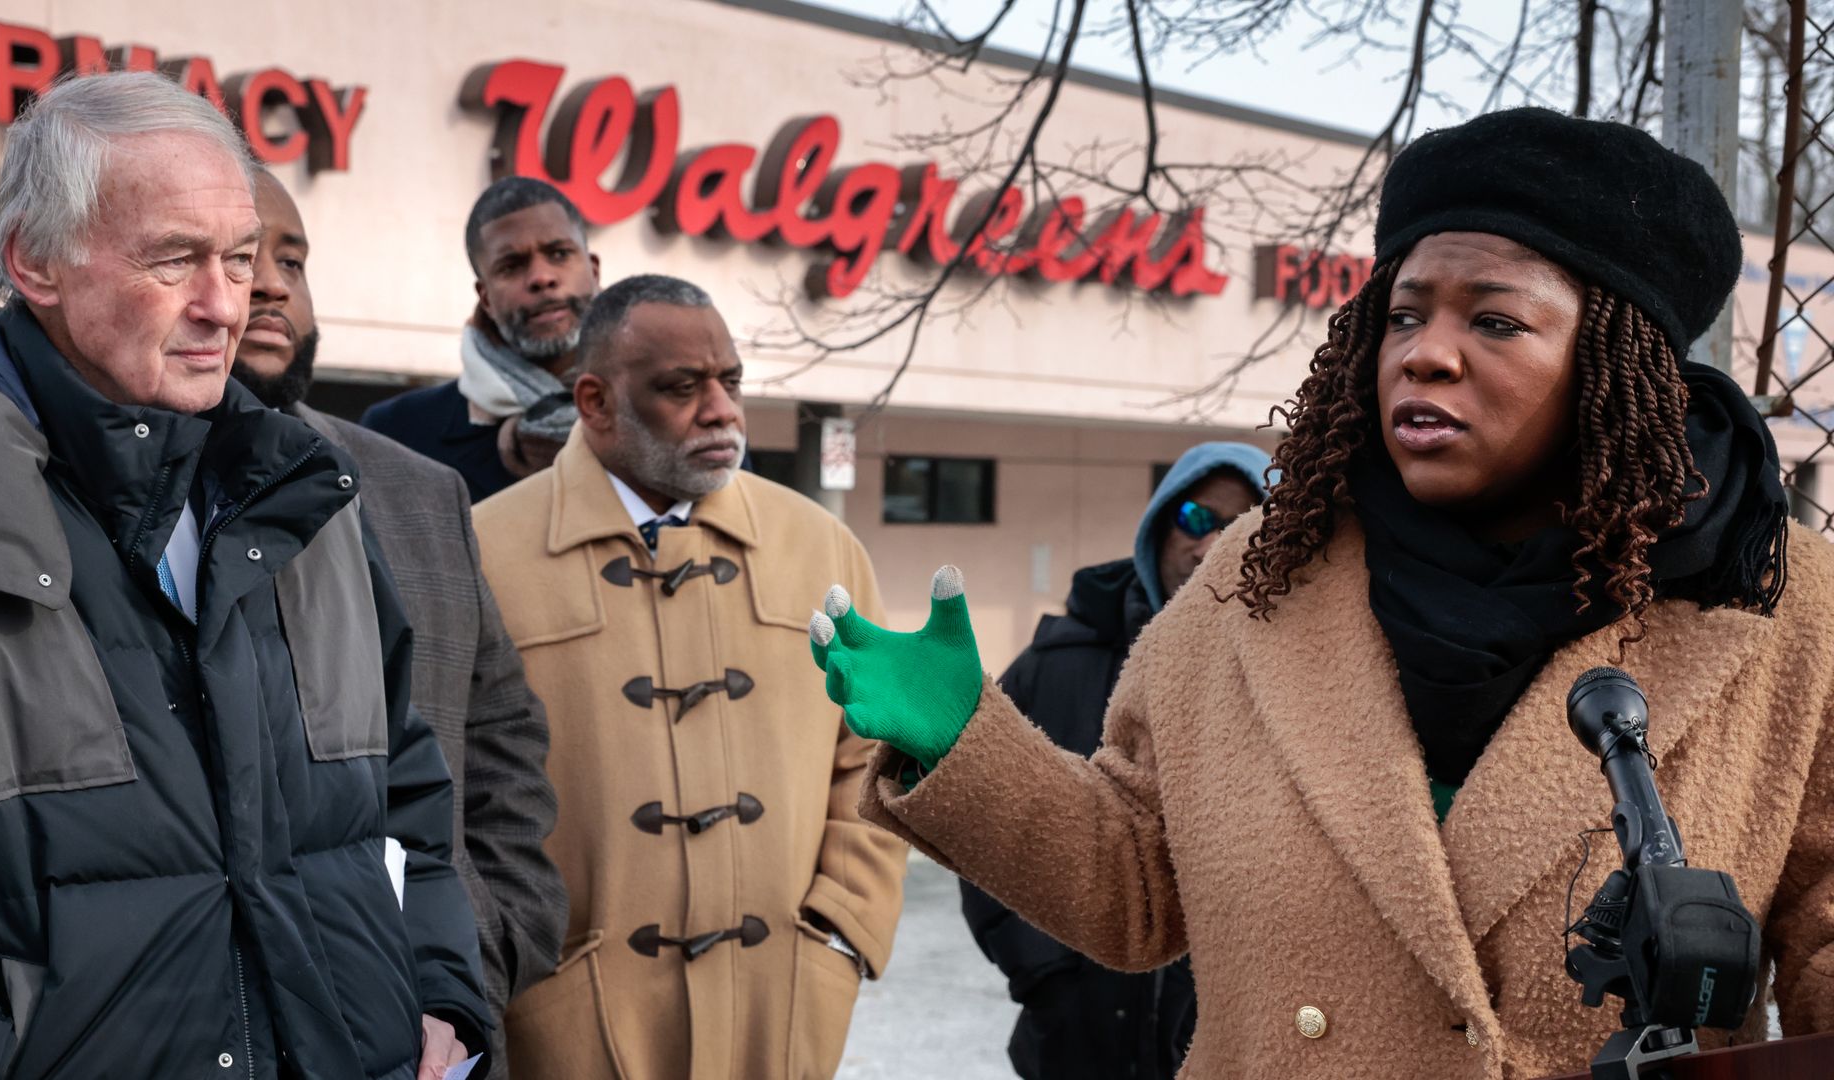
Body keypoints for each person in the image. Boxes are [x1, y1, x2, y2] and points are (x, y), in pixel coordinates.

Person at [806, 108, 1834, 1079]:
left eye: (1495, 321)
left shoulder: (1774, 605)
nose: (1427, 352)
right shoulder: (1258, 578)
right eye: (1405, 315)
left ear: (1618, 364)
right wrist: (966, 744)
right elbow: (1135, 888)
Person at [0, 73, 489, 1078]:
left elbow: (408, 789)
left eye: (238, 258)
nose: (224, 304)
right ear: (34, 262)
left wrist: (438, 989)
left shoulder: (305, 497)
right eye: (174, 259)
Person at [473, 274, 908, 1079]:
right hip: (562, 1019)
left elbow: (871, 758)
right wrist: (500, 965)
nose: (722, 411)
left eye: (731, 382)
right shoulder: (482, 552)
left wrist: (843, 932)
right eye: (683, 387)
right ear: (596, 401)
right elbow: (444, 791)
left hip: (779, 1012)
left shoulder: (823, 548)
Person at [232, 169, 568, 1079]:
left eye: (291, 258)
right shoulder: (81, 499)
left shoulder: (418, 493)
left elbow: (501, 737)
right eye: (237, 252)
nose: (270, 282)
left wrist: (485, 943)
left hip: (437, 1038)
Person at [962, 441, 1270, 1080]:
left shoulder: (1292, 693)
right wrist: (1047, 975)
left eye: (1241, 525)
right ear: (1157, 528)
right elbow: (983, 823)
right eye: (1195, 519)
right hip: (1074, 1040)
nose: (1210, 545)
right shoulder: (1055, 665)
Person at [362, 177, 601, 502]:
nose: (542, 278)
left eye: (559, 254)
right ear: (485, 297)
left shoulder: (659, 408)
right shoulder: (396, 432)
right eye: (511, 266)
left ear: (594, 270)